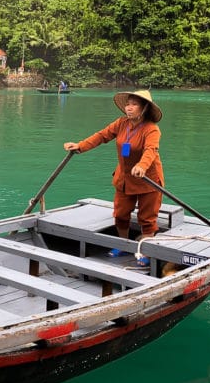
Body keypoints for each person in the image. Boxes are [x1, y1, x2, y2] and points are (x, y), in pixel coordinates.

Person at [63, 90, 164, 265]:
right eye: (128, 104)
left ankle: (146, 251)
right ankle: (123, 245)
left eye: (134, 105)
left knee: (147, 218)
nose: (129, 108)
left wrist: (142, 165)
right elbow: (102, 136)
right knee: (121, 214)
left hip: (147, 179)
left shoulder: (151, 129)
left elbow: (151, 150)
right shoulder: (121, 123)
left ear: (144, 108)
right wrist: (80, 146)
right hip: (124, 178)